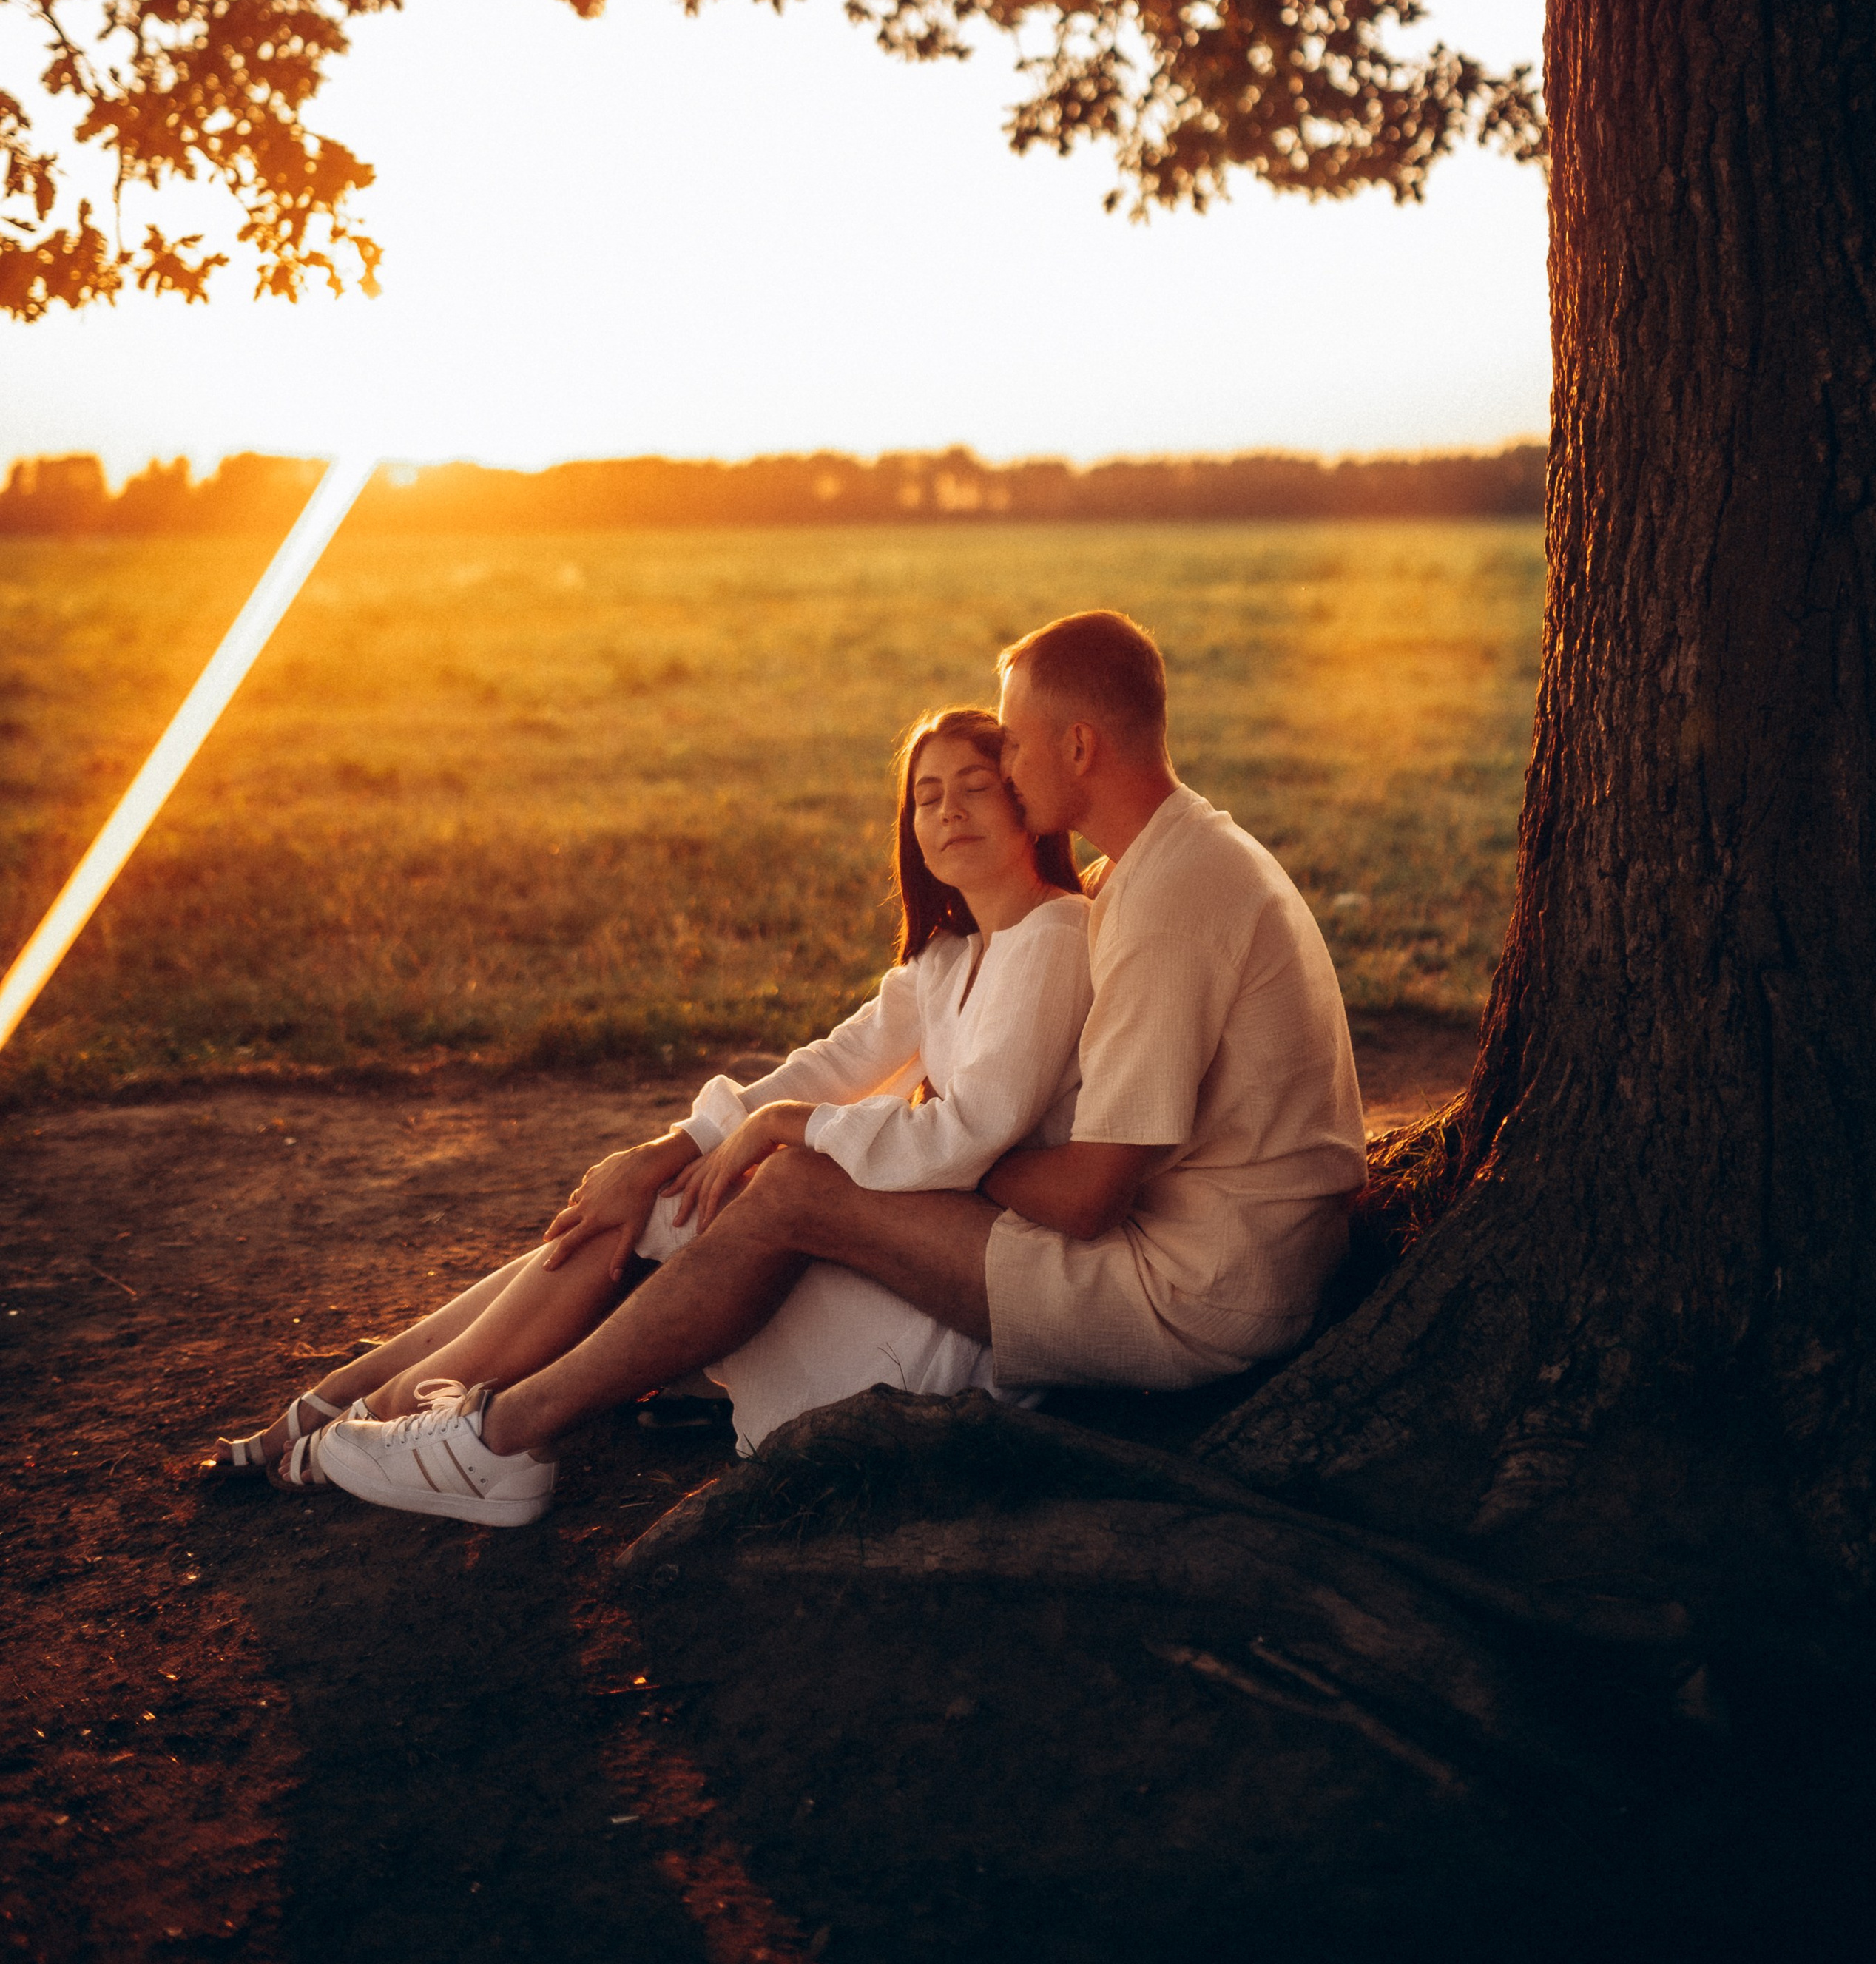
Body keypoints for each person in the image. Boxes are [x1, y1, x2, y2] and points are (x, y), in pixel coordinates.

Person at [274, 607, 1365, 1530]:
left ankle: (498, 1437)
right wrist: (709, 1140)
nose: (1007, 779)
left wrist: (886, 1134)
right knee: (771, 1177)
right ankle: (407, 1396)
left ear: (1079, 748)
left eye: (1016, 754)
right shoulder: (1162, 869)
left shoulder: (1159, 905)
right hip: (1193, 1258)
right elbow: (871, 1065)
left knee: (800, 1181)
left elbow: (1081, 1199)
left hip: (1196, 1297)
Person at [215, 706, 1090, 1508]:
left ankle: (374, 1422)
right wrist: (672, 1146)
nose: (948, 811)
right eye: (926, 796)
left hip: (947, 1306)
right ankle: (350, 1403)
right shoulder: (949, 958)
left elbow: (968, 1136)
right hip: (906, 1248)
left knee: (690, 1206)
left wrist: (782, 1129)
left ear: (1024, 805)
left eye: (976, 787)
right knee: (648, 1202)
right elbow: (829, 1064)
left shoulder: (1053, 938)